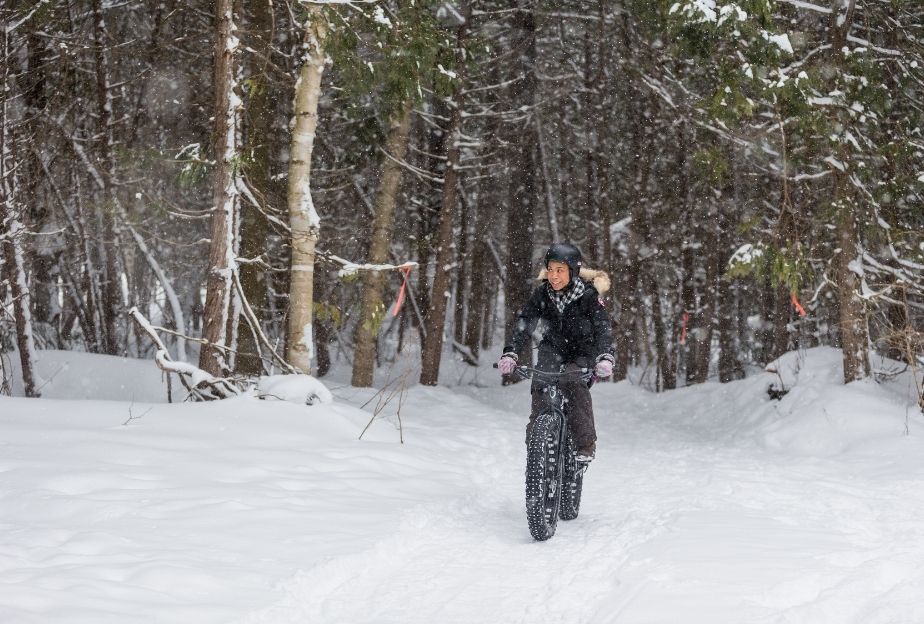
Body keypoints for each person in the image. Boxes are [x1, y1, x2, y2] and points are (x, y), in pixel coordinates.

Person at [497, 242, 614, 462]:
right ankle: (536, 439)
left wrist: (606, 356)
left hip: (582, 352)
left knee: (572, 380)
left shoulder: (588, 296)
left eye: (559, 270)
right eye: (550, 270)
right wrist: (511, 352)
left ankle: (585, 443)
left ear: (573, 270)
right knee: (541, 382)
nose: (553, 276)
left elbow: (603, 328)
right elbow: (525, 323)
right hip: (552, 349)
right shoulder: (543, 294)